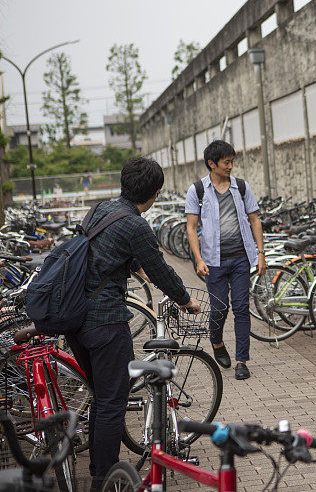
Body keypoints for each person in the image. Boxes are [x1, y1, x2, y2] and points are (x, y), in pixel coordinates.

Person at [65, 157, 200, 488]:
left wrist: (132, 266)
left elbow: (105, 254)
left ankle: (100, 467)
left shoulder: (100, 209)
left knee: (101, 395)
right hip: (106, 323)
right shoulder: (136, 225)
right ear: (154, 194)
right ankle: (105, 479)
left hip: (74, 318)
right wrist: (186, 300)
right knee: (114, 402)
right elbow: (161, 270)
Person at [185, 140, 266, 381]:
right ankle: (217, 342)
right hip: (213, 261)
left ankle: (242, 360)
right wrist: (198, 259)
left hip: (241, 258)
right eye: (226, 162)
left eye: (232, 162)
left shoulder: (241, 187)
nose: (230, 166)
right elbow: (191, 228)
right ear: (212, 164)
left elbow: (255, 220)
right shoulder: (197, 190)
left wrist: (260, 253)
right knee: (220, 309)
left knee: (242, 308)